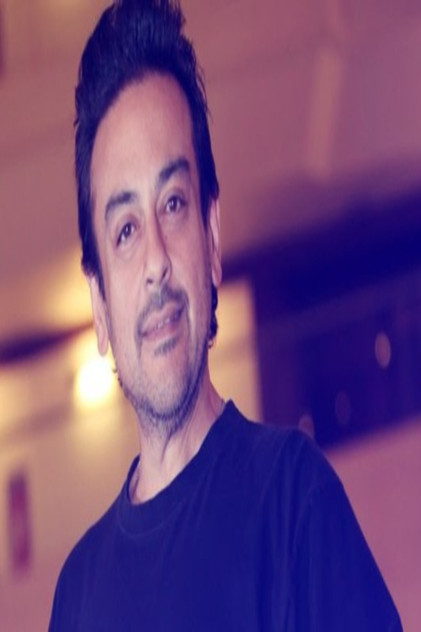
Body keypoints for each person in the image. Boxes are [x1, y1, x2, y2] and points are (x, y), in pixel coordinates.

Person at [49, 1, 402, 630]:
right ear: (99, 302)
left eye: (173, 203)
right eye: (126, 230)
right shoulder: (77, 594)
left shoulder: (293, 501)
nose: (156, 260)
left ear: (211, 238)